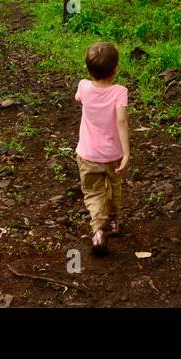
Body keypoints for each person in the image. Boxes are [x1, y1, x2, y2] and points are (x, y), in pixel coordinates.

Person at [74, 41, 129, 255]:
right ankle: (114, 222)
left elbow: (79, 98)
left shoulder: (84, 86)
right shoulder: (120, 92)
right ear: (115, 69)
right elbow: (122, 121)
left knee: (93, 192)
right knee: (114, 187)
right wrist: (126, 152)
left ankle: (98, 229)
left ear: (88, 70)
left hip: (87, 154)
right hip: (112, 154)